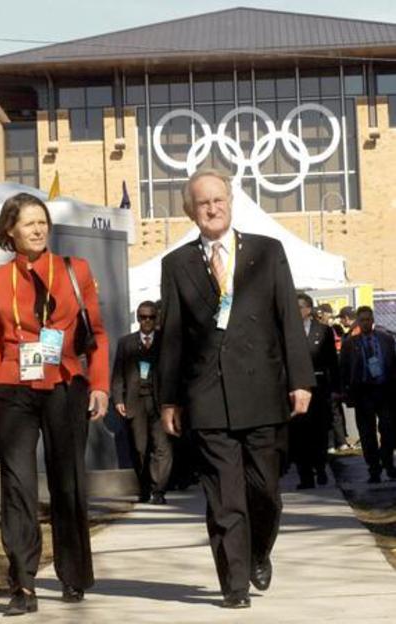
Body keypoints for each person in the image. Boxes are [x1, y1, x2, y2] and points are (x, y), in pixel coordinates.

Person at [159, 169, 314, 610]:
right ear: (191, 211)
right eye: (202, 203)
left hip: (262, 392)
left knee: (264, 493)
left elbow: (288, 317)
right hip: (207, 398)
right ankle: (235, 584)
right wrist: (169, 398)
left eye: (218, 200)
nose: (212, 208)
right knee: (225, 498)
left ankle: (259, 551)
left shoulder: (267, 252)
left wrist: (301, 380)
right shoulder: (178, 264)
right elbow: (172, 334)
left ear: (231, 203)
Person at [0, 192, 109, 616]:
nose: (37, 229)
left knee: (68, 483)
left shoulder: (74, 270)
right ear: (9, 231)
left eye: (42, 222)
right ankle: (23, 584)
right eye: (28, 223)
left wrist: (100, 385)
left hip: (66, 386)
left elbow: (97, 335)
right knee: (17, 487)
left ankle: (73, 574)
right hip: (13, 390)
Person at [112, 301, 172, 504]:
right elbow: (118, 374)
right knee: (140, 448)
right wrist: (118, 398)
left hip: (159, 401)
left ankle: (159, 490)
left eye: (151, 317)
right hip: (135, 401)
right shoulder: (126, 343)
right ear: (137, 318)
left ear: (156, 319)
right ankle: (144, 487)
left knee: (162, 447)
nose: (147, 321)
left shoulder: (165, 342)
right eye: (143, 317)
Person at [340, 305, 396, 483]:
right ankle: (374, 468)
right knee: (366, 433)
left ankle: (388, 462)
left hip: (384, 390)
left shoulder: (386, 339)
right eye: (362, 320)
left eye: (368, 319)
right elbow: (344, 369)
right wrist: (345, 392)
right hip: (363, 392)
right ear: (358, 321)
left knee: (388, 429)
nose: (366, 323)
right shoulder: (350, 343)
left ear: (373, 320)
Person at [290, 294, 340, 488]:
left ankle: (320, 467)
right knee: (299, 433)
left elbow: (332, 363)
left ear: (309, 308)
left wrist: (335, 387)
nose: (297, 311)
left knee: (318, 431)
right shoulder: (289, 331)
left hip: (318, 387)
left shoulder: (323, 331)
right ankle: (305, 476)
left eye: (300, 307)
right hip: (297, 387)